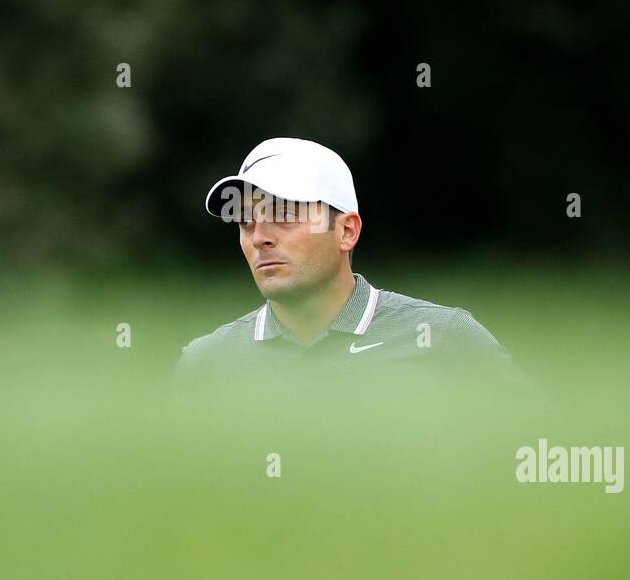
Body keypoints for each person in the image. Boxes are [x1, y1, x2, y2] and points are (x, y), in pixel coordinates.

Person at [173, 137, 538, 399]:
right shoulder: (206, 363)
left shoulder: (444, 338)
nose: (259, 237)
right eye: (246, 222)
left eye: (283, 215)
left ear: (346, 231)